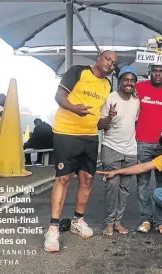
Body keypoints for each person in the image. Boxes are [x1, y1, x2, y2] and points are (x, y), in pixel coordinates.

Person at [44, 50, 118, 252]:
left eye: (113, 63)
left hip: (90, 137)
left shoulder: (107, 85)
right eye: (107, 59)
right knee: (63, 179)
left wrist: (109, 118)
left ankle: (78, 220)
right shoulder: (78, 71)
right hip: (66, 133)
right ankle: (53, 229)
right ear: (99, 58)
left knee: (87, 179)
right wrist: (73, 108)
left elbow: (100, 122)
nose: (110, 64)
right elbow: (59, 96)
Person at [134, 64, 162, 236]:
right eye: (155, 71)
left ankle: (160, 222)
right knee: (142, 184)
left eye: (161, 71)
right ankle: (146, 219)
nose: (158, 74)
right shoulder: (139, 87)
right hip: (142, 143)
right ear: (149, 72)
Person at [97, 66, 140, 236]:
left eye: (132, 80)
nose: (129, 83)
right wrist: (110, 116)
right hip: (111, 148)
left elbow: (134, 122)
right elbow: (100, 125)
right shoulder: (110, 99)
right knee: (112, 187)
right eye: (126, 80)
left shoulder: (137, 101)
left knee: (125, 189)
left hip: (130, 150)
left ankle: (118, 222)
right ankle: (109, 222)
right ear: (120, 81)